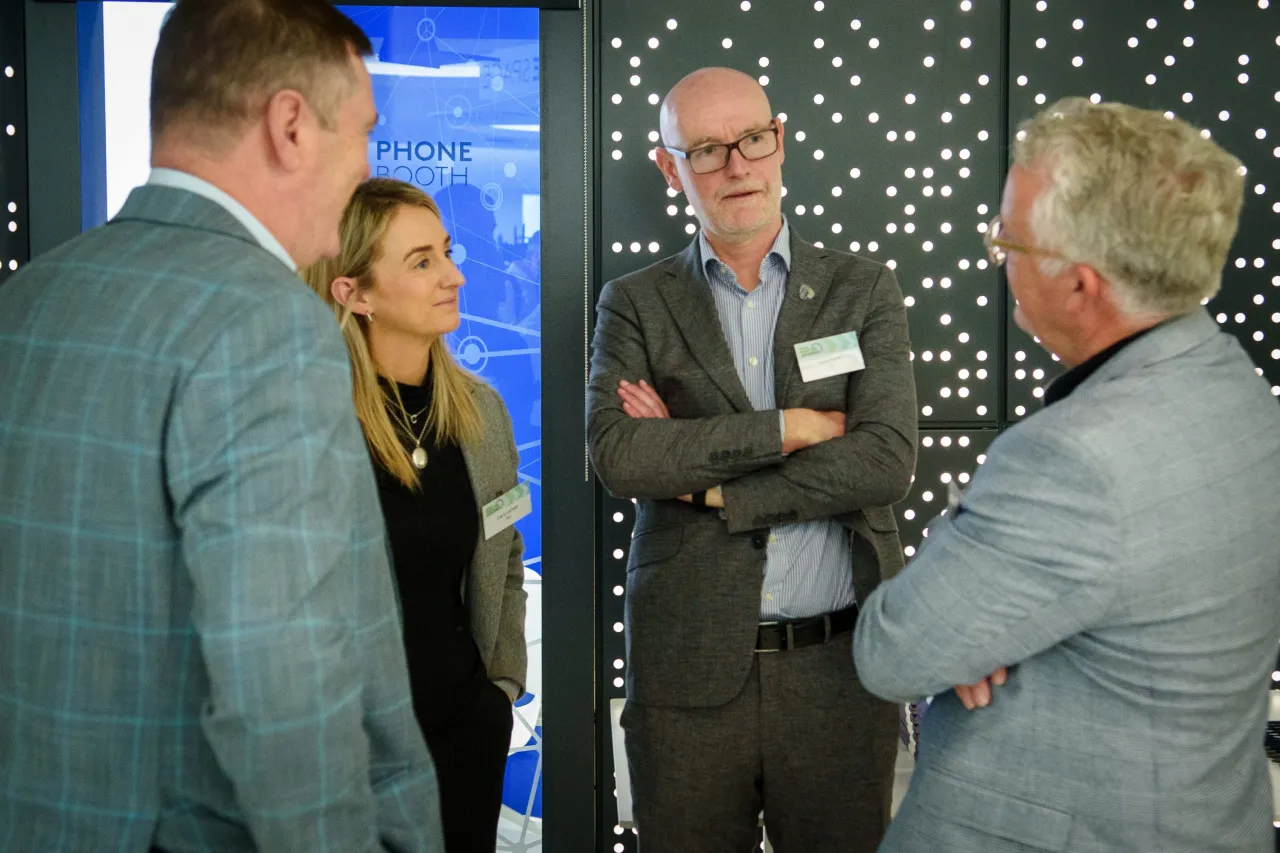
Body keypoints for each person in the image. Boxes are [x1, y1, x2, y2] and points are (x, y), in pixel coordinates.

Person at [0, 2, 442, 851]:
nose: (367, 165)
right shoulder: (268, 322)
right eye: (362, 132)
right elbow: (284, 685)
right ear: (289, 126)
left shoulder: (29, 298)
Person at [854, 98, 1280, 852]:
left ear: (1081, 285)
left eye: (1006, 239)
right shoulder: (1237, 388)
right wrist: (982, 619)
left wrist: (969, 613)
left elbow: (893, 650)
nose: (998, 256)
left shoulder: (1071, 460)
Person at [587, 67, 918, 853]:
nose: (737, 166)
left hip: (840, 672)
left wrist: (713, 489)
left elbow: (883, 459)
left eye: (753, 140)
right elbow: (623, 455)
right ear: (670, 169)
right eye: (706, 149)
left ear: (780, 142)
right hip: (685, 677)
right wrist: (792, 427)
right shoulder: (633, 302)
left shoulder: (863, 289)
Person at [303, 178, 528, 853]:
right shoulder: (307, 421)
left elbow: (504, 552)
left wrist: (500, 689)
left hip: (463, 738)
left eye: (447, 252)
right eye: (422, 261)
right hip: (341, 753)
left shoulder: (481, 413)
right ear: (355, 293)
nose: (454, 276)